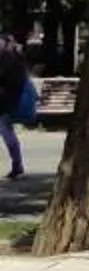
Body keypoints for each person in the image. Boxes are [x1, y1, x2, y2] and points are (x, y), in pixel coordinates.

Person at [3, 35, 34, 180]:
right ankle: (17, 165)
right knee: (6, 132)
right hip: (8, 101)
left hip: (9, 102)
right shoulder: (13, 58)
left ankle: (17, 165)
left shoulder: (10, 59)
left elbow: (13, 82)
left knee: (6, 131)